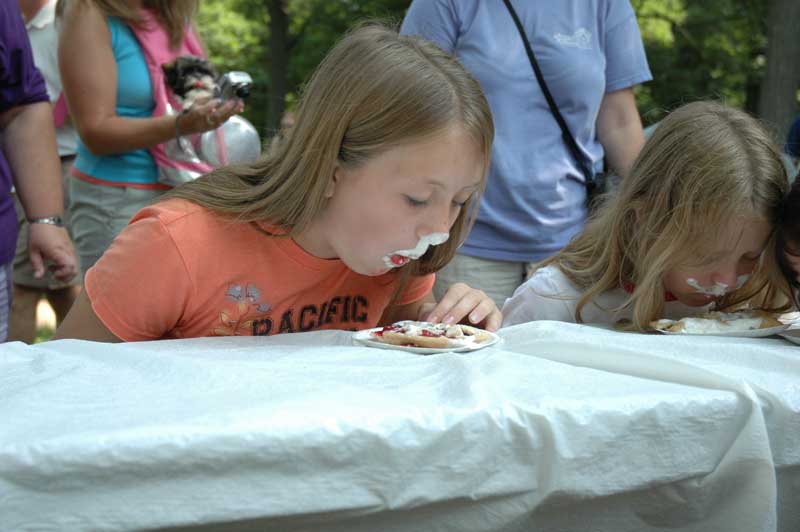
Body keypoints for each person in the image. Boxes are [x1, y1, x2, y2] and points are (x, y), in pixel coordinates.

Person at [54, 23, 501, 342]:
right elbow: (64, 381)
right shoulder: (175, 244)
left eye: (460, 201)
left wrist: (445, 324)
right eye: (417, 198)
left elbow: (393, 371)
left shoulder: (402, 258)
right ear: (329, 169)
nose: (440, 228)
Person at [401, 0, 652, 308]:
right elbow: (410, 111)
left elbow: (620, 122)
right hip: (466, 244)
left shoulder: (605, 5)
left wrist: (658, 204)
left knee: (563, 356)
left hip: (572, 248)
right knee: (464, 350)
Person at [502, 101, 791, 331]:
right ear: (645, 219)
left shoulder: (757, 303)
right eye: (706, 256)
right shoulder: (552, 303)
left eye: (750, 257)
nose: (727, 282)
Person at [57, 0, 242, 280]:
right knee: (126, 318)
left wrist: (213, 109)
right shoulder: (88, 11)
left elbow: (192, 92)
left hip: (184, 193)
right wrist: (182, 124)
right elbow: (95, 132)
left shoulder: (173, 13)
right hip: (118, 202)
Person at [0, 1, 78, 342]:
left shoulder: (66, 19)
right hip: (26, 175)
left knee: (62, 291)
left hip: (58, 165)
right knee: (25, 290)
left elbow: (24, 100)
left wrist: (46, 219)